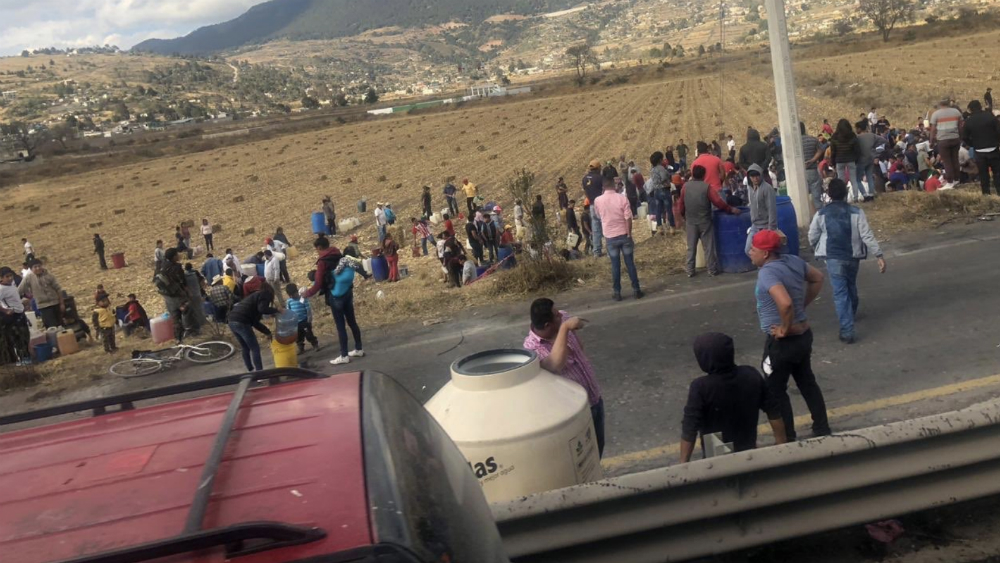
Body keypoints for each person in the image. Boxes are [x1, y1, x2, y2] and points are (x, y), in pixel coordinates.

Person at [749, 229, 831, 441]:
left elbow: (785, 303)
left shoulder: (768, 273)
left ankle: (787, 438)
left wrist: (784, 328)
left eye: (754, 249)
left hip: (781, 344)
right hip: (803, 337)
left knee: (774, 389)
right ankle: (822, 427)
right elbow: (818, 277)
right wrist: (801, 305)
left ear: (765, 253)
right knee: (807, 382)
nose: (750, 252)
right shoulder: (793, 261)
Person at [680, 332, 787, 462]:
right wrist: (781, 446)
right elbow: (773, 411)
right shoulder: (751, 375)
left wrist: (683, 464)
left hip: (717, 453)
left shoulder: (701, 387)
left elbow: (689, 429)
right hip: (747, 449)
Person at [524, 298, 605, 457]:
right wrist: (565, 328)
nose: (561, 316)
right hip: (576, 411)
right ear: (547, 325)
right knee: (584, 456)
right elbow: (555, 364)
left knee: (599, 447)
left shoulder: (562, 319)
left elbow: (578, 345)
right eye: (557, 315)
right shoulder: (532, 347)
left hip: (594, 398)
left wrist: (571, 327)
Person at [808, 179, 886, 344]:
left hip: (833, 257)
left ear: (829, 194)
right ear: (845, 193)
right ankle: (851, 313)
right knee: (850, 286)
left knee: (840, 293)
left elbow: (812, 235)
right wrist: (878, 255)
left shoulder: (821, 213)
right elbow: (866, 235)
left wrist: (816, 246)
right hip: (852, 256)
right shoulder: (857, 212)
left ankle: (847, 330)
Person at [678, 165, 740, 277]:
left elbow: (681, 204)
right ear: (704, 175)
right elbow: (718, 202)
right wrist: (730, 209)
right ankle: (711, 269)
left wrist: (683, 216)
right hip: (705, 221)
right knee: (708, 247)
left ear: (692, 174)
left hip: (691, 221)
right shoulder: (707, 187)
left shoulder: (685, 187)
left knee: (691, 247)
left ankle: (690, 270)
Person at [593, 168, 643, 301]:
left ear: (603, 186)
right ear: (614, 185)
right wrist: (629, 233)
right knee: (630, 263)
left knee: (615, 265)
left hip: (610, 237)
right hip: (624, 234)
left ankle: (617, 292)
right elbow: (628, 218)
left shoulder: (598, 201)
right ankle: (636, 290)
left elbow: (598, 216)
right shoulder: (622, 198)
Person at [326, 254, 368, 365]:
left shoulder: (335, 271)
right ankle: (359, 349)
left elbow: (333, 276)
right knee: (352, 323)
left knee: (341, 327)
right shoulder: (351, 269)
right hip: (348, 296)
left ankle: (344, 355)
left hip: (337, 298)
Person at [228, 285, 278, 372]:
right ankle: (259, 373)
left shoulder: (253, 298)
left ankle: (250, 370)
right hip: (242, 321)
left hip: (231, 320)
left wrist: (267, 332)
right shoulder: (265, 295)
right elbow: (262, 309)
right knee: (255, 348)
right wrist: (276, 310)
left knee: (245, 347)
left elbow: (255, 323)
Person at [154, 248, 197, 343]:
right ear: (174, 257)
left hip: (167, 297)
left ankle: (178, 339)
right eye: (177, 254)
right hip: (178, 295)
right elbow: (182, 282)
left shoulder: (161, 266)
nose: (178, 256)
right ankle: (190, 332)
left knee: (175, 318)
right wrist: (189, 293)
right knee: (187, 310)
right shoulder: (176, 267)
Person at [963, 100, 1000, 196]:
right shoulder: (990, 116)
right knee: (997, 173)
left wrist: (973, 144)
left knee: (983, 175)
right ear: (980, 106)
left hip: (979, 151)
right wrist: (997, 142)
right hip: (993, 149)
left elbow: (964, 137)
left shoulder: (969, 121)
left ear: (970, 109)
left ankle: (986, 195)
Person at [17, 260, 65, 329]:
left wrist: (61, 303)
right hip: (43, 306)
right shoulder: (29, 277)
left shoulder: (49, 275)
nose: (38, 268)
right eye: (35, 267)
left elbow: (58, 289)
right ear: (31, 269)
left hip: (55, 303)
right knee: (52, 327)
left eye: (39, 266)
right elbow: (20, 290)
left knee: (61, 325)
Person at [930, 98, 965, 190]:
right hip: (955, 138)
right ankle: (957, 179)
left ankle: (950, 182)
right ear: (949, 103)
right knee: (955, 159)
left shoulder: (936, 114)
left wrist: (931, 141)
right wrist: (960, 137)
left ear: (940, 104)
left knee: (947, 161)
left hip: (943, 140)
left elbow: (933, 129)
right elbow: (960, 127)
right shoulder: (956, 112)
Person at [0, 266, 31, 366]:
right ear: (1, 278)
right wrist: (5, 310)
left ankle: (27, 357)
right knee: (19, 338)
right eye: (7, 276)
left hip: (20, 314)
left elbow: (15, 299)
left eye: (11, 276)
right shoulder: (1, 289)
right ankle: (23, 359)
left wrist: (23, 305)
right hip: (13, 317)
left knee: (26, 336)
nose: (10, 278)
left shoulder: (12, 285)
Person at [744, 164, 778, 257]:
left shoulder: (767, 188)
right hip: (755, 225)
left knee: (765, 253)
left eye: (757, 176)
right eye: (753, 176)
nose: (755, 179)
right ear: (749, 177)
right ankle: (762, 264)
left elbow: (772, 209)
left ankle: (766, 265)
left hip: (766, 225)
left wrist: (771, 229)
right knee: (748, 250)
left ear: (761, 175)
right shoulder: (749, 188)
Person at [829, 118, 863, 201]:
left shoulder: (835, 136)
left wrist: (833, 162)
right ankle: (855, 198)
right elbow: (857, 149)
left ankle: (843, 199)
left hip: (839, 160)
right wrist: (856, 159)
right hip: (851, 160)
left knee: (841, 181)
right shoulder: (852, 135)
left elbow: (833, 151)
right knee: (853, 180)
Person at [286, 283, 319, 353]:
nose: (292, 296)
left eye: (293, 294)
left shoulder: (302, 299)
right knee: (298, 336)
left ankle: (314, 344)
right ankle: (301, 347)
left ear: (296, 291)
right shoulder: (289, 301)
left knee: (309, 334)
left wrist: (309, 319)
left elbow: (308, 309)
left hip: (304, 321)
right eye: (290, 295)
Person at [648, 151, 675, 235]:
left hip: (656, 190)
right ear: (660, 160)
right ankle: (672, 227)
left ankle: (660, 227)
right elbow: (663, 178)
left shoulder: (652, 169)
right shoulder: (661, 168)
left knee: (658, 209)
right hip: (664, 190)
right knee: (668, 209)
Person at [800, 122, 825, 213]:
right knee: (816, 197)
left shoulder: (795, 142)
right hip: (812, 170)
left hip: (799, 173)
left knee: (802, 198)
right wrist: (813, 159)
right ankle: (821, 215)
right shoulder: (813, 139)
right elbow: (821, 149)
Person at [582, 159, 605, 256]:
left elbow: (585, 192)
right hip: (601, 205)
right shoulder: (600, 178)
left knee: (595, 229)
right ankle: (610, 249)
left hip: (592, 205)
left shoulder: (584, 179)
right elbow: (605, 190)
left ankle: (597, 251)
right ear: (598, 168)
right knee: (606, 225)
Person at [854, 120, 878, 202]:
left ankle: (865, 195)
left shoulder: (858, 138)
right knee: (869, 176)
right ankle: (871, 194)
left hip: (862, 160)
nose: (856, 130)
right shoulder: (872, 135)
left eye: (856, 128)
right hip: (871, 158)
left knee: (857, 179)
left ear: (859, 128)